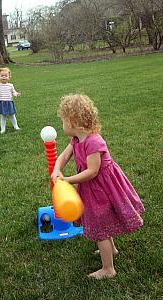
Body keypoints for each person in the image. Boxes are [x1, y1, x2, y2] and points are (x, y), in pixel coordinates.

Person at [51, 94, 145, 279]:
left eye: (63, 121)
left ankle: (108, 269)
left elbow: (92, 171)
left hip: (102, 187)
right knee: (103, 222)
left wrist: (67, 180)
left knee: (100, 225)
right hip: (92, 187)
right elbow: (64, 156)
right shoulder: (76, 139)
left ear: (75, 122)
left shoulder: (94, 142)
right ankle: (112, 250)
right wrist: (56, 168)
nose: (62, 125)